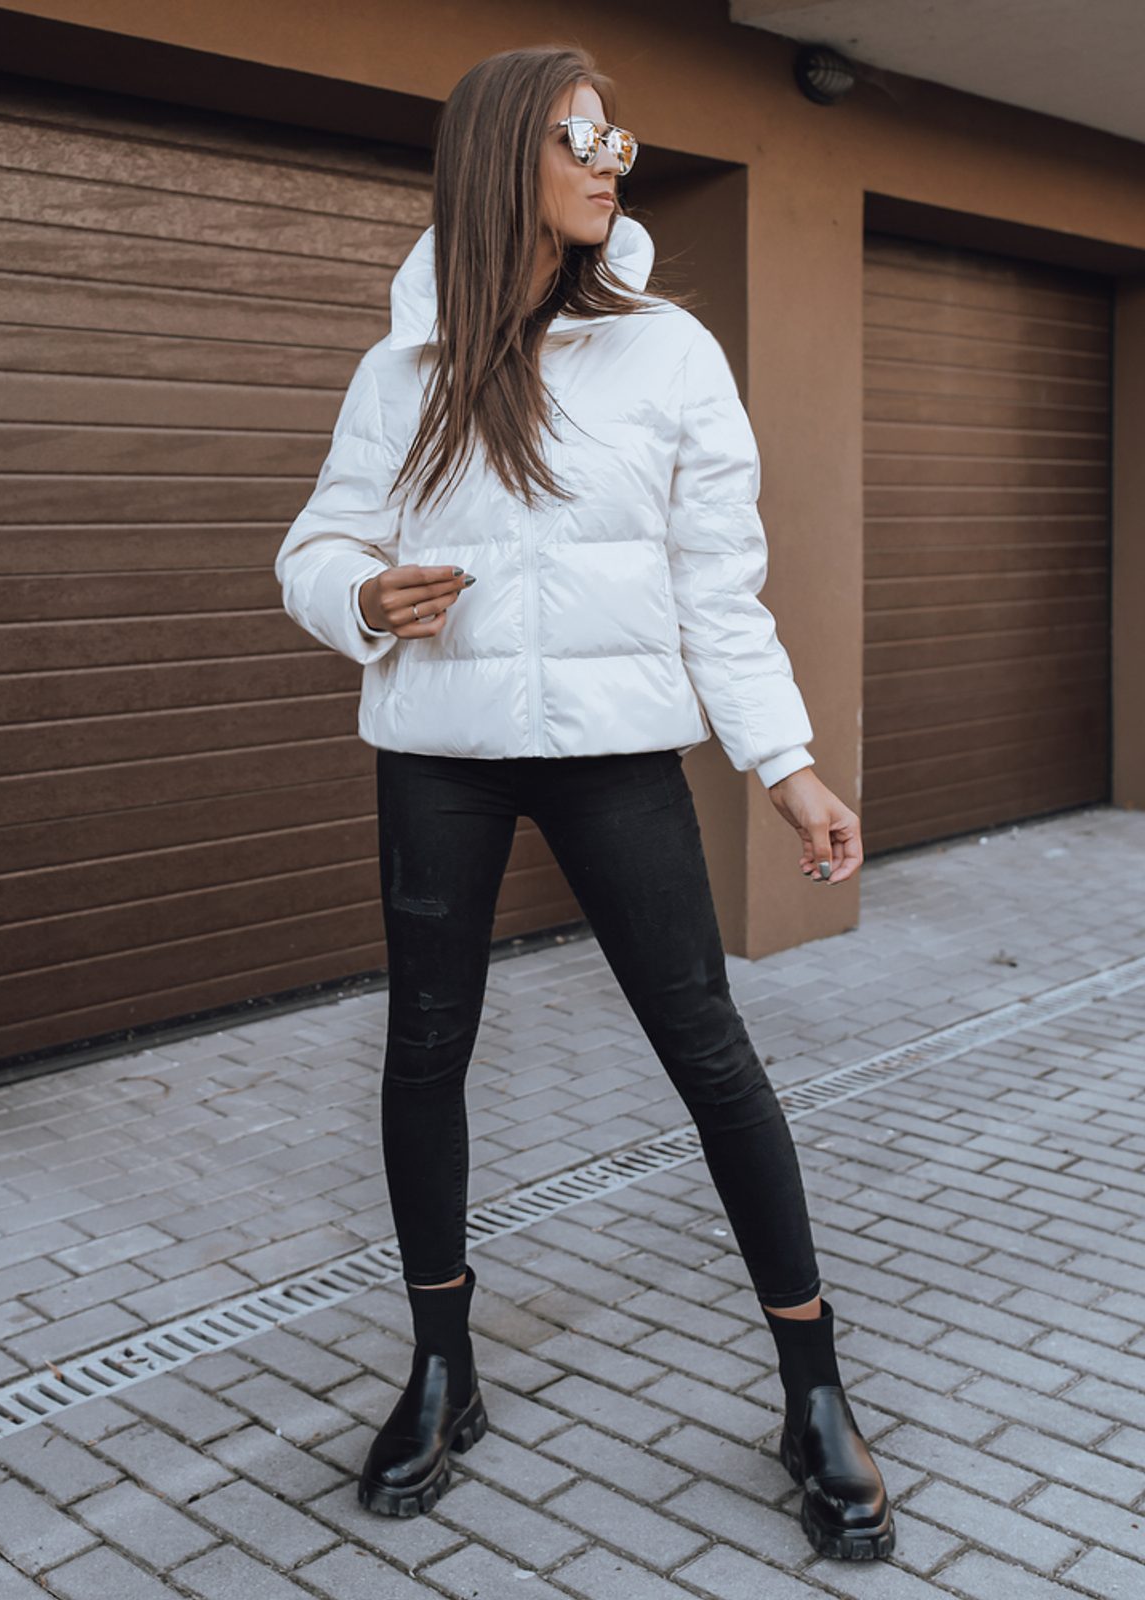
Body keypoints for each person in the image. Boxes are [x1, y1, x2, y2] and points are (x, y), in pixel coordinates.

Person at [275, 43, 894, 1564]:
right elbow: (315, 545)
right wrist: (361, 595)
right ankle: (442, 1370)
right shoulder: (402, 367)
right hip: (439, 754)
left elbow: (719, 592)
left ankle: (814, 1390)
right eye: (580, 136)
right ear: (505, 156)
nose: (613, 160)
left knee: (710, 1053)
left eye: (620, 138)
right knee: (425, 1051)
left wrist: (788, 766)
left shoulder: (670, 352)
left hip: (618, 758)